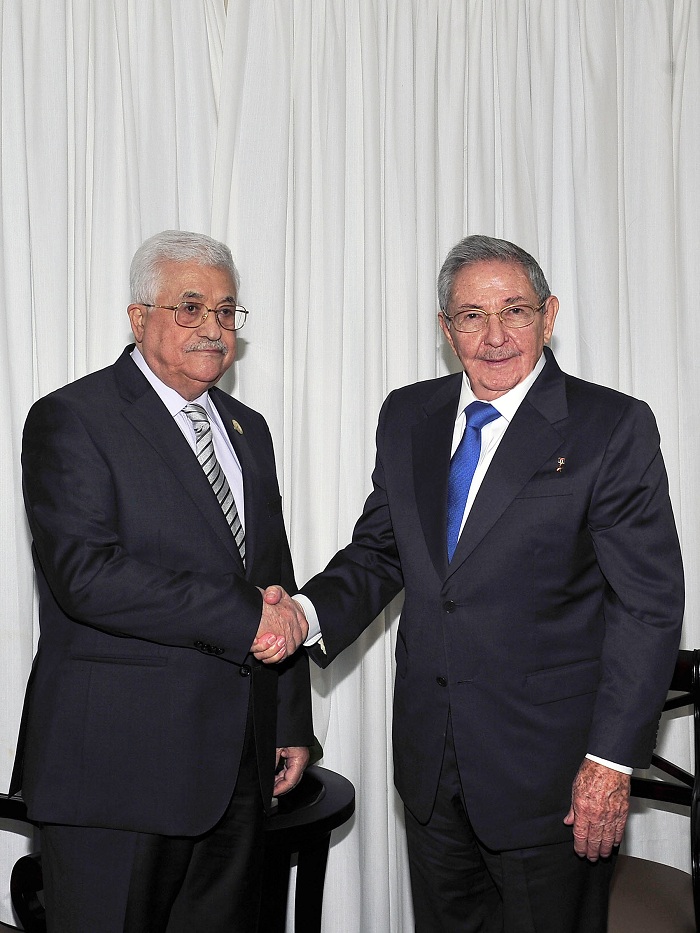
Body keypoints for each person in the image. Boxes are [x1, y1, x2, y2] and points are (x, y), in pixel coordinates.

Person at [257, 234, 684, 932]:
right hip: (431, 770)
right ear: (444, 326)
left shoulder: (611, 426)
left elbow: (649, 605)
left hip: (554, 778)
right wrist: (302, 614)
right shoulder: (408, 415)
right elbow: (380, 552)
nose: (493, 337)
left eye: (514, 311)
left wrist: (609, 761)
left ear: (549, 316)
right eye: (470, 316)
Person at [10, 230, 312, 933]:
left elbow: (273, 575)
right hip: (115, 770)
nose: (213, 326)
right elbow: (87, 576)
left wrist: (289, 715)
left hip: (236, 766)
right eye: (190, 306)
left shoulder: (247, 428)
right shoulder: (72, 419)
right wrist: (246, 618)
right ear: (138, 315)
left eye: (227, 309)